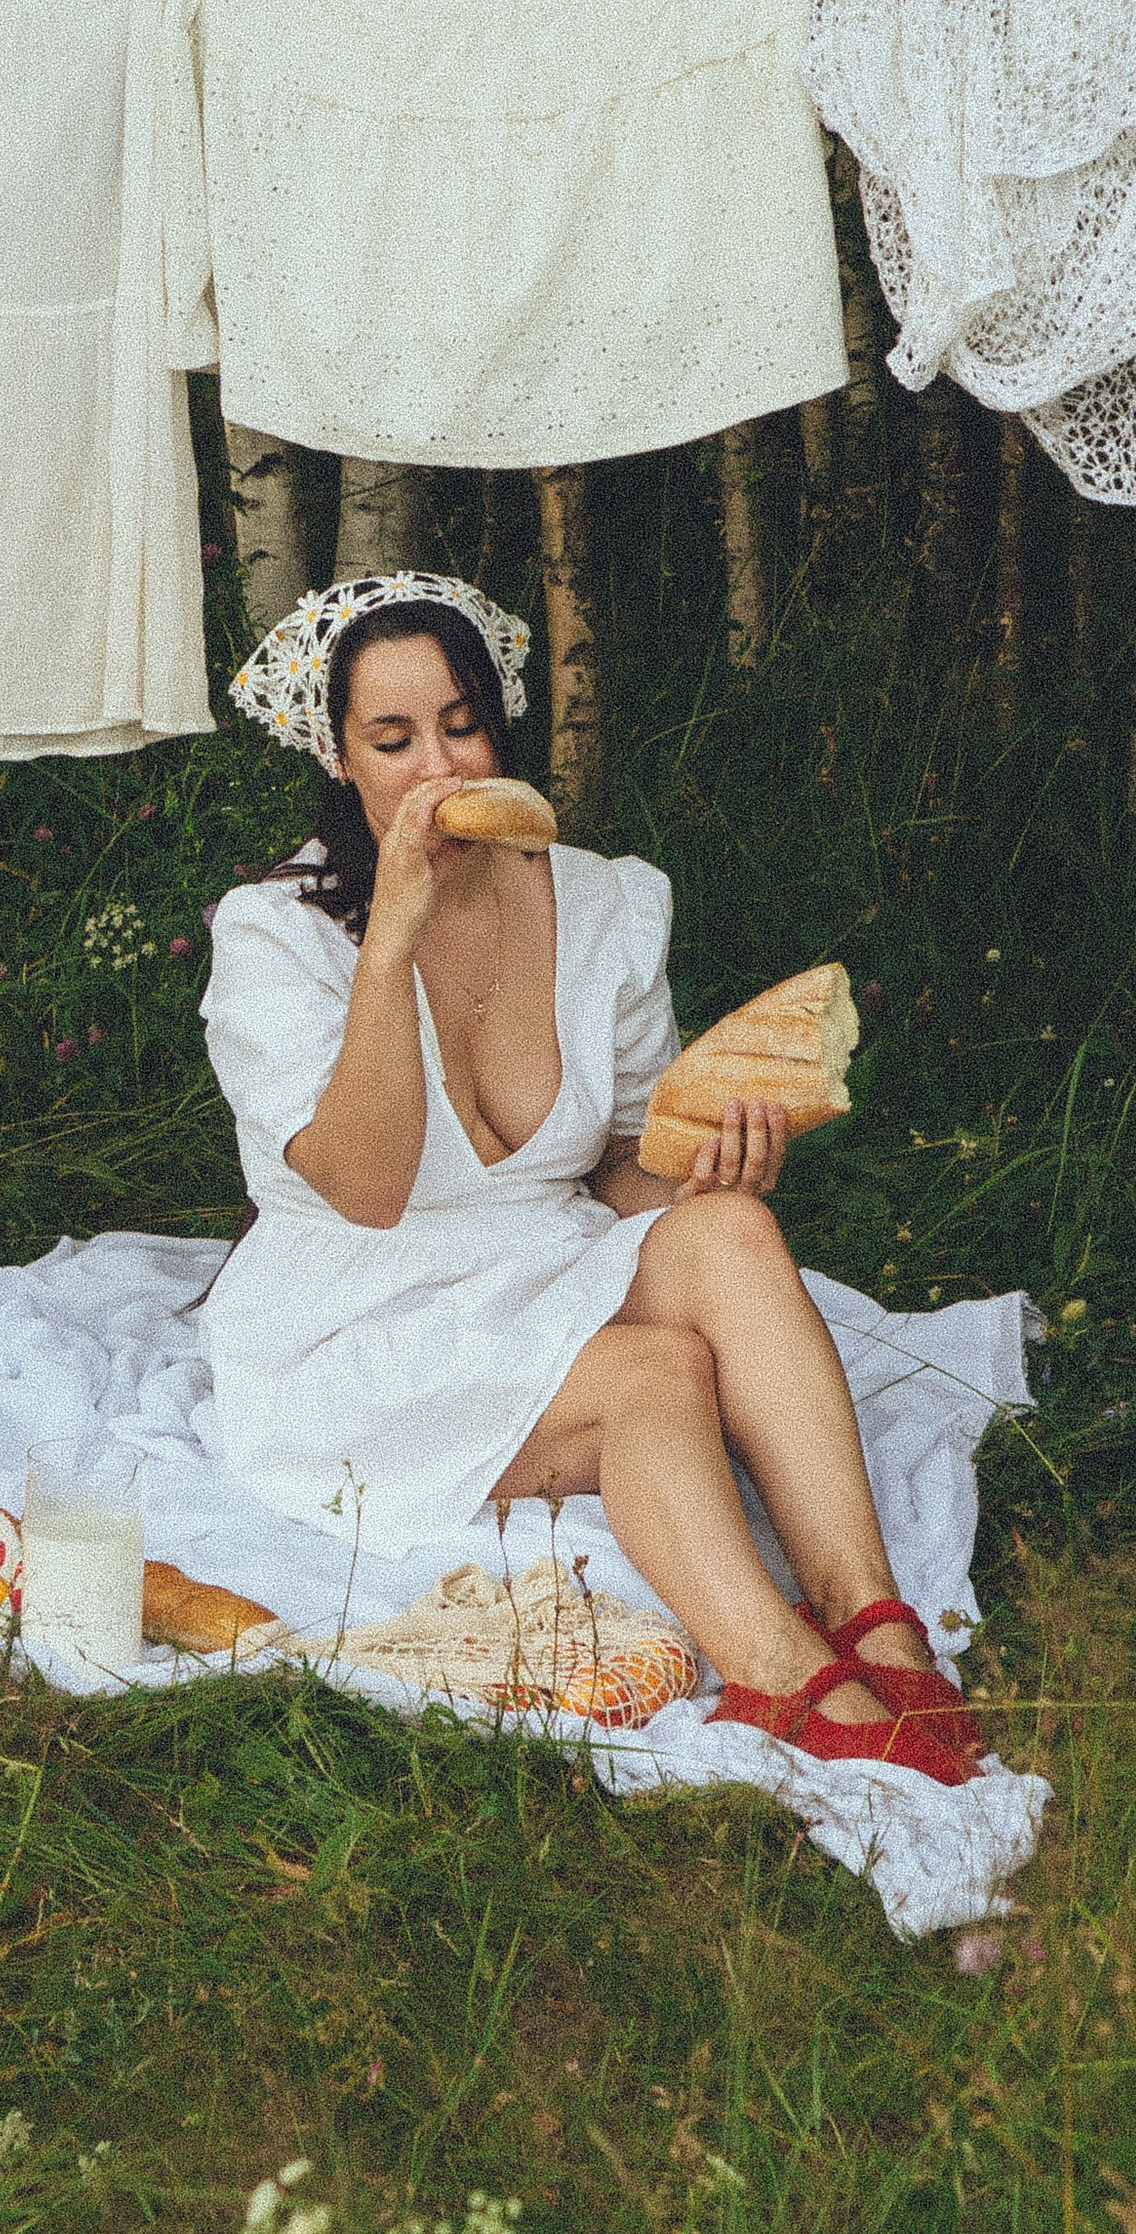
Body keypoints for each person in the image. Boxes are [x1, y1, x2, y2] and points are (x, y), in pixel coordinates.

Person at [200, 571, 985, 1779]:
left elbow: (617, 1162)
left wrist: (700, 1173)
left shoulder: (605, 900)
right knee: (655, 1373)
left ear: (500, 727)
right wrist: (393, 932)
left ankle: (871, 1619)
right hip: (360, 1314)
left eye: (462, 725)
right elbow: (366, 1187)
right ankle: (781, 1676)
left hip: (539, 1258)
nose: (439, 769)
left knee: (732, 1231)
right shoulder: (274, 934)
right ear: (338, 760)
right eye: (393, 741)